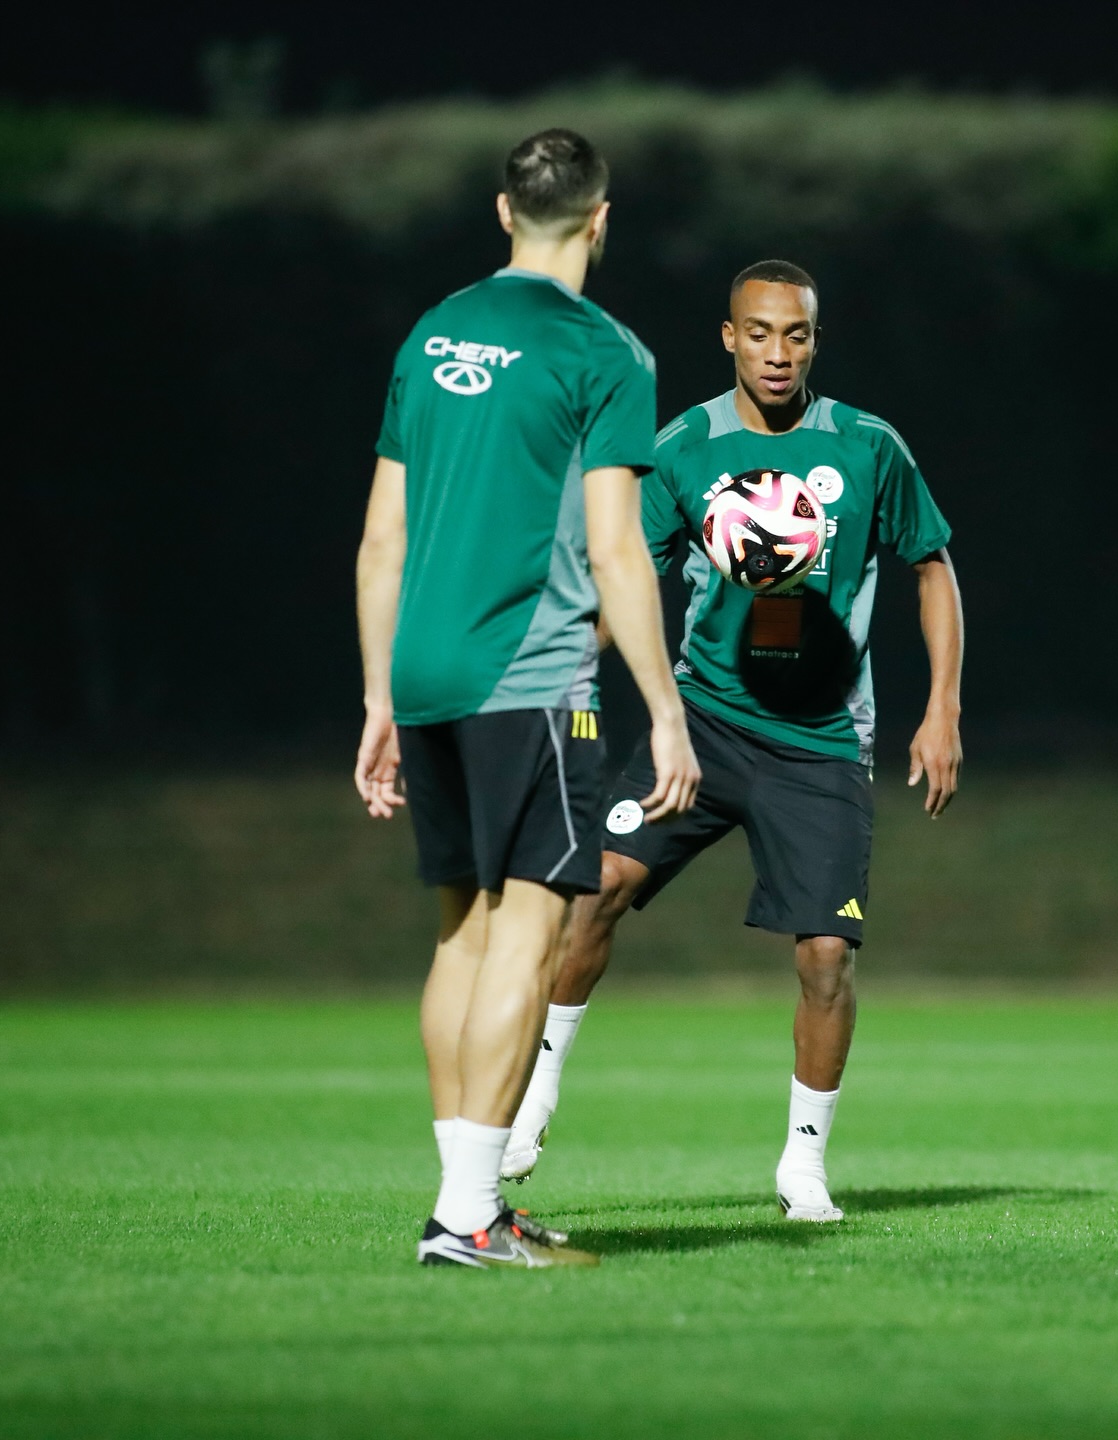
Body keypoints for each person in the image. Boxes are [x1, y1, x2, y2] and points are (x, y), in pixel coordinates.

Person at [502, 260, 964, 1221]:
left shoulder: (868, 446)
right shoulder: (682, 449)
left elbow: (933, 566)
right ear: (729, 338)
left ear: (816, 342)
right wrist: (560, 677)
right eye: (759, 333)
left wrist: (943, 709)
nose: (777, 352)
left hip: (821, 743)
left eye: (795, 334)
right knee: (596, 891)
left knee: (826, 956)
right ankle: (535, 1095)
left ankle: (803, 1164)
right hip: (703, 725)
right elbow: (626, 577)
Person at [354, 129, 701, 1268]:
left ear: (504, 212)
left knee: (461, 929)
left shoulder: (432, 332)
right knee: (529, 927)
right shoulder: (606, 352)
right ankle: (467, 1216)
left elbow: (382, 540)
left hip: (426, 673)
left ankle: (469, 1204)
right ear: (601, 220)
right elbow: (617, 549)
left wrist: (379, 698)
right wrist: (665, 709)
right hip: (533, 676)